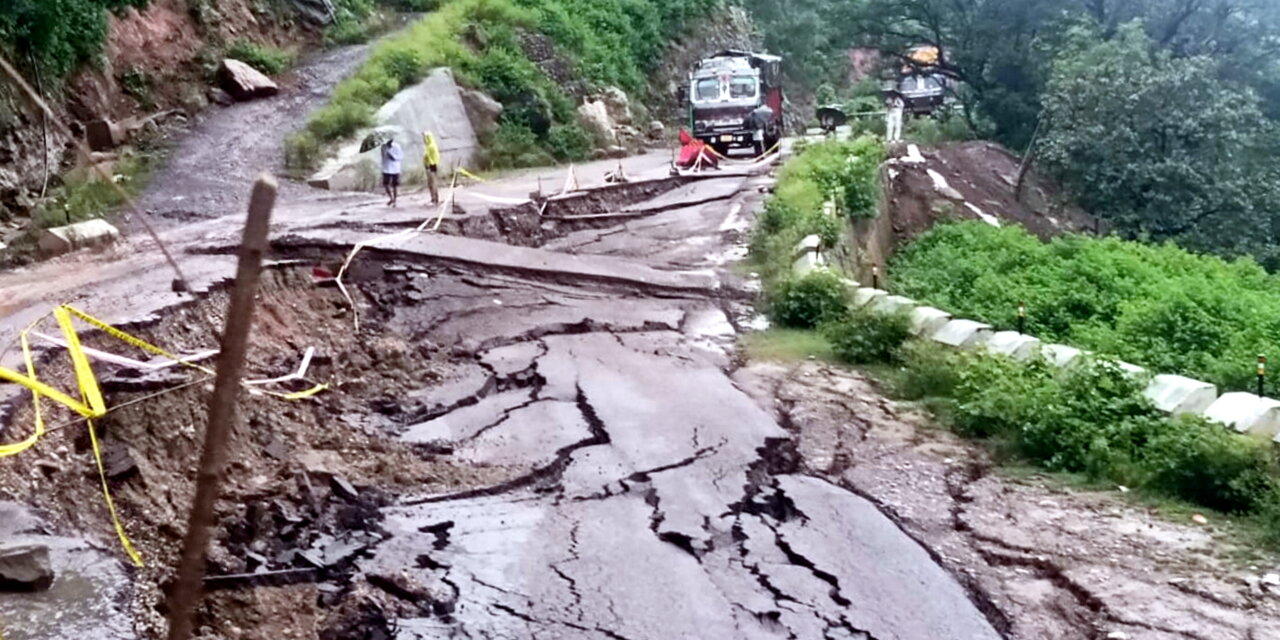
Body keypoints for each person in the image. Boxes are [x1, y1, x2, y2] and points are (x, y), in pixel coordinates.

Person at [381, 137, 403, 207]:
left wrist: (392, 156)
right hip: (386, 168)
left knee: (395, 185)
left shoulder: (397, 146)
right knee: (386, 184)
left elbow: (400, 157)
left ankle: (395, 200)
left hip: (395, 168)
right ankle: (391, 198)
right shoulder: (383, 147)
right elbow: (383, 157)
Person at [422, 131, 441, 206]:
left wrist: (427, 163)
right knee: (431, 183)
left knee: (432, 183)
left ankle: (434, 199)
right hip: (432, 165)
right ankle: (434, 198)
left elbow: (427, 156)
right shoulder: (431, 145)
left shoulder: (430, 146)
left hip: (431, 166)